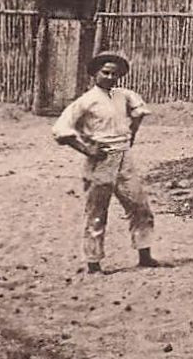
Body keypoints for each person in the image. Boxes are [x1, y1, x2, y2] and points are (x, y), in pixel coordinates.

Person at [51, 51, 160, 274]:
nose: (110, 77)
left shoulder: (123, 95)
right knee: (97, 212)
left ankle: (145, 255)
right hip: (101, 160)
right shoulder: (86, 101)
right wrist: (87, 149)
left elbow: (139, 109)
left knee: (140, 207)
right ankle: (93, 263)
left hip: (124, 157)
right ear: (95, 74)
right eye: (106, 73)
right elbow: (61, 130)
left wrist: (132, 133)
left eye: (115, 74)